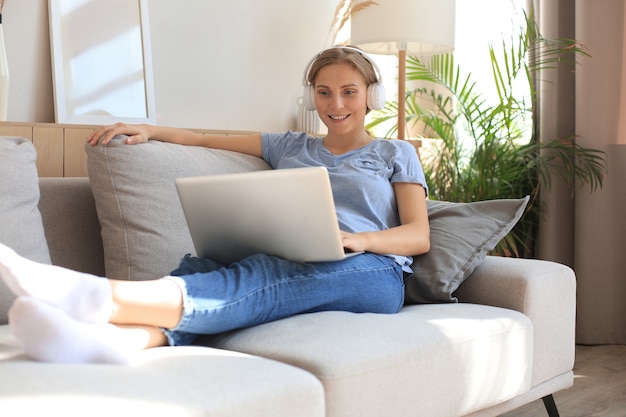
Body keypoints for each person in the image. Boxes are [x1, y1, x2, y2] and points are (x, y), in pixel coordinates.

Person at [0, 46, 429, 365]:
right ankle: (112, 342)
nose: (336, 105)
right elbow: (204, 140)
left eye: (349, 92)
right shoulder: (287, 145)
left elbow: (418, 235)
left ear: (371, 96)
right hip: (299, 253)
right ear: (312, 96)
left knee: (269, 274)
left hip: (374, 270)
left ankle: (99, 296)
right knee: (203, 269)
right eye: (324, 92)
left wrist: (359, 239)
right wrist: (151, 130)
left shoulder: (396, 152)